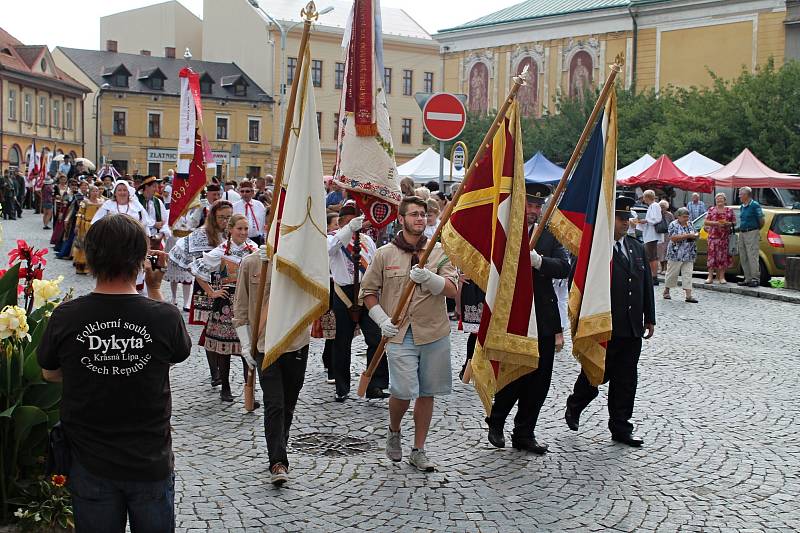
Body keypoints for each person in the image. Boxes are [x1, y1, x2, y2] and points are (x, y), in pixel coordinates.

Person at [37, 213, 191, 533]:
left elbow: (49, 373)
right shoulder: (164, 316)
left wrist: (90, 368)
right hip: (150, 462)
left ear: (90, 258)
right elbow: (176, 353)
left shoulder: (66, 316)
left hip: (90, 463)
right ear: (140, 260)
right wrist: (155, 289)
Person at [360, 196, 459, 472]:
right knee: (402, 389)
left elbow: (453, 289)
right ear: (401, 219)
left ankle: (419, 449)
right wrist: (381, 319)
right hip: (399, 333)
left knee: (428, 392)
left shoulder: (439, 251)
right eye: (413, 214)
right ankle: (394, 430)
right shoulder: (385, 254)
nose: (419, 219)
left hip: (434, 331)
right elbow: (368, 292)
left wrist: (430, 278)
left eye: (423, 214)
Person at [485, 183, 571, 454]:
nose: (534, 211)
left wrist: (539, 262)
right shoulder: (507, 230)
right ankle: (496, 421)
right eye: (530, 205)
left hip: (543, 317)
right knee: (515, 374)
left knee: (539, 379)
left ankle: (525, 432)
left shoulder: (549, 234)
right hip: (515, 314)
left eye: (538, 206)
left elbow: (564, 267)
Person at [565, 195, 655, 447]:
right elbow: (578, 283)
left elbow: (645, 284)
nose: (625, 223)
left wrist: (650, 317)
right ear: (608, 219)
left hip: (631, 326)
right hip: (604, 323)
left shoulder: (636, 247)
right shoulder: (596, 248)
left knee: (626, 379)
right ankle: (576, 403)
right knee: (596, 373)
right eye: (620, 218)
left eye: (628, 218)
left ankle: (621, 427)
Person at [233, 245, 310, 485]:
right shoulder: (251, 262)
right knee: (274, 403)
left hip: (295, 342)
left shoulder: (303, 257)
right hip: (264, 345)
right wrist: (246, 344)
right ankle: (278, 461)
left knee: (288, 404)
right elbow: (241, 307)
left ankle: (280, 442)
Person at [191, 213, 257, 402]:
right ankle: (225, 387)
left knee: (248, 348)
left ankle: (249, 390)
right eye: (240, 229)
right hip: (226, 304)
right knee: (224, 348)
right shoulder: (220, 252)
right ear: (230, 230)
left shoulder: (253, 249)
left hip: (247, 303)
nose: (243, 232)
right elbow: (197, 270)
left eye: (246, 229)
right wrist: (212, 292)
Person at [327, 202, 388, 402]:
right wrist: (348, 230)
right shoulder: (333, 238)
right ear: (342, 222)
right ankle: (341, 387)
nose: (358, 225)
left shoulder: (367, 241)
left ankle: (375, 384)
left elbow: (373, 264)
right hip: (342, 293)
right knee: (341, 342)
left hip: (365, 292)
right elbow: (331, 248)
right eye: (352, 221)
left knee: (375, 339)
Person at [169, 200, 232, 383]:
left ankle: (221, 371)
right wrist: (203, 279)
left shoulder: (232, 232)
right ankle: (215, 373)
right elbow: (186, 257)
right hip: (206, 287)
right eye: (222, 217)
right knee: (210, 329)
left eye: (229, 217)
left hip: (227, 286)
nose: (226, 221)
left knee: (224, 329)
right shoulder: (202, 234)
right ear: (213, 217)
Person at [663, 207, 699, 303]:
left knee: (688, 273)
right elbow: (673, 238)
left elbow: (695, 233)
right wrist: (687, 236)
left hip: (689, 253)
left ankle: (688, 295)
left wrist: (695, 235)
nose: (686, 218)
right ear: (678, 216)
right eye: (684, 217)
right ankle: (666, 291)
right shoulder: (673, 224)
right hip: (676, 253)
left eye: (687, 216)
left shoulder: (690, 223)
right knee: (672, 273)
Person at [71, 185, 105, 275]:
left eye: (96, 191)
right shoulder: (85, 202)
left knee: (95, 247)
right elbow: (80, 214)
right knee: (83, 246)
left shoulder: (102, 202)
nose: (95, 193)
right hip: (85, 225)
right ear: (89, 192)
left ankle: (93, 267)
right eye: (93, 191)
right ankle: (81, 266)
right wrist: (77, 225)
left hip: (97, 226)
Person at [704, 192, 735, 284]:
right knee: (711, 258)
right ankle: (710, 277)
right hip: (713, 237)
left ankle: (722, 277)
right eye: (717, 199)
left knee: (723, 257)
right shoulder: (711, 209)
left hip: (724, 238)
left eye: (721, 199)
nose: (719, 200)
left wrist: (727, 223)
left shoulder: (729, 210)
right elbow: (706, 222)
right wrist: (716, 223)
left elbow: (734, 222)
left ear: (725, 200)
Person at [737, 186, 764, 287]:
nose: (739, 196)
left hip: (752, 232)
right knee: (743, 256)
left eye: (740, 194)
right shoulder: (742, 206)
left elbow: (761, 220)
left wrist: (755, 230)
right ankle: (747, 278)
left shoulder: (755, 205)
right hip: (742, 232)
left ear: (746, 195)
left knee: (752, 256)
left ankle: (755, 279)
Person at [636, 190, 663, 285]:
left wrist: (646, 220)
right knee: (650, 256)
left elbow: (656, 219)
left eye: (644, 197)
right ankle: (652, 275)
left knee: (652, 256)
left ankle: (654, 276)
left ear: (647, 197)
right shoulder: (651, 206)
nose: (643, 199)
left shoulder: (655, 206)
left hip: (652, 235)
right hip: (650, 234)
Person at [137, 176, 170, 250]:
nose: (156, 189)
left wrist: (161, 235)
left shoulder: (158, 202)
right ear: (146, 187)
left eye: (157, 187)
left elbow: (165, 221)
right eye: (154, 187)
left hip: (156, 240)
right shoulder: (136, 201)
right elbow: (137, 220)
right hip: (140, 239)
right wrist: (154, 224)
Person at [232, 180, 267, 246]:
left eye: (247, 191)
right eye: (242, 191)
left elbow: (263, 221)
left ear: (252, 192)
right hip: (241, 239)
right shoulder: (235, 206)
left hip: (257, 239)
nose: (244, 193)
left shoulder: (259, 205)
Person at [656, 200, 674, 274]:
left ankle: (665, 268)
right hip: (659, 234)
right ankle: (661, 267)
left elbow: (673, 224)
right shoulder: (657, 214)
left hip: (667, 235)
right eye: (660, 207)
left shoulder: (669, 215)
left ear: (666, 207)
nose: (662, 208)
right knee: (660, 252)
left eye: (663, 207)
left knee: (666, 251)